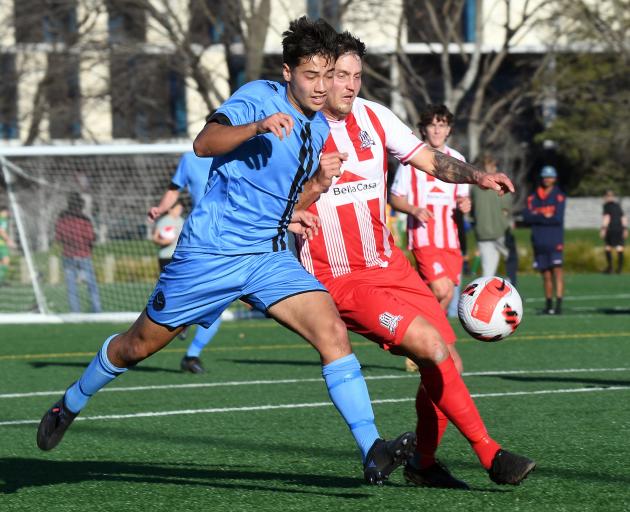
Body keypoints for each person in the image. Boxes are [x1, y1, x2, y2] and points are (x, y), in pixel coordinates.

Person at [36, 17, 415, 486]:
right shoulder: (258, 97)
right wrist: (257, 126)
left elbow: (279, 196)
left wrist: (304, 202)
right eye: (310, 76)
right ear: (288, 73)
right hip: (210, 257)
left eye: (327, 75)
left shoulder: (318, 129)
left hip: (267, 258)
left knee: (332, 332)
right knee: (137, 346)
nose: (321, 87)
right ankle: (71, 401)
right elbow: (203, 143)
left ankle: (371, 449)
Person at [296, 31, 535, 489]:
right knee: (429, 344)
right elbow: (276, 200)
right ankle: (491, 455)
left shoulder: (374, 117)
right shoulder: (299, 128)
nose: (348, 85)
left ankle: (423, 464)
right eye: (339, 75)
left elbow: (430, 161)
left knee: (449, 365)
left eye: (356, 76)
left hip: (390, 264)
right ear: (320, 77)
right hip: (340, 277)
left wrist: (478, 177)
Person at [389, 104, 470, 370]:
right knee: (441, 289)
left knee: (443, 297)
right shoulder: (413, 159)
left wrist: (465, 205)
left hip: (450, 240)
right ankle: (439, 349)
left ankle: (418, 342)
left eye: (442, 124)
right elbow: (395, 197)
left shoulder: (456, 157)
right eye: (433, 124)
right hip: (424, 237)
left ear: (449, 129)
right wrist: (413, 209)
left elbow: (462, 197)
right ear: (424, 128)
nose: (437, 129)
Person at [148, 152, 223, 374]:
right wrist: (161, 209)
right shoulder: (190, 159)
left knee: (218, 304)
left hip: (230, 238)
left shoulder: (243, 153)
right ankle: (181, 318)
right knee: (200, 297)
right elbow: (174, 189)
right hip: (199, 237)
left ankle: (191, 355)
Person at [523, 165, 566, 315]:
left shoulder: (559, 196)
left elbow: (557, 218)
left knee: (557, 272)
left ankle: (559, 304)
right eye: (545, 177)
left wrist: (537, 216)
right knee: (546, 274)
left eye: (550, 177)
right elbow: (527, 217)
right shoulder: (533, 197)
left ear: (554, 179)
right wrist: (543, 216)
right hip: (539, 241)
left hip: (555, 240)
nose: (547, 180)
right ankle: (548, 304)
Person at [470, 153, 518, 284]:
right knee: (511, 260)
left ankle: (485, 299)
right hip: (500, 231)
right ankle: (512, 289)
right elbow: (506, 208)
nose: (496, 168)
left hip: (482, 233)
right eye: (493, 165)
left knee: (487, 273)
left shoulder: (473, 188)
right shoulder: (499, 185)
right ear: (487, 166)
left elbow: (471, 211)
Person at [54, 192, 102, 313]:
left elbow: (58, 237)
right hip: (84, 255)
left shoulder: (62, 218)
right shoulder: (84, 219)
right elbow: (90, 237)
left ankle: (75, 312)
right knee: (92, 285)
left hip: (68, 255)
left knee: (71, 287)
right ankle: (97, 310)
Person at [600, 190, 627, 274]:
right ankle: (619, 269)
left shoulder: (606, 206)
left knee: (608, 247)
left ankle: (610, 268)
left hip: (611, 229)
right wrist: (625, 229)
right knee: (619, 247)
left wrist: (603, 228)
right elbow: (623, 217)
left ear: (606, 197)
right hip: (619, 228)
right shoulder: (618, 205)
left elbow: (607, 217)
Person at [0, 205, 16, 286]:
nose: (8, 214)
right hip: (1, 245)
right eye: (7, 212)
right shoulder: (2, 219)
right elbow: (1, 231)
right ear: (4, 211)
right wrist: (9, 241)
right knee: (6, 262)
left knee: (1, 263)